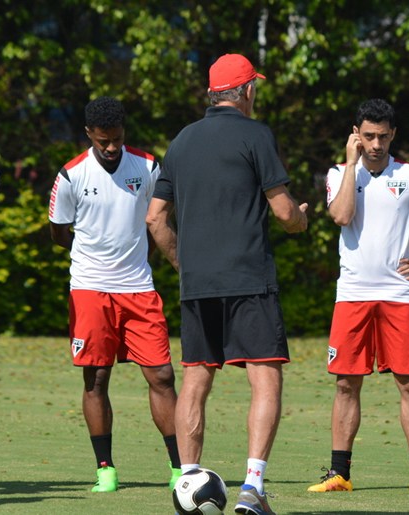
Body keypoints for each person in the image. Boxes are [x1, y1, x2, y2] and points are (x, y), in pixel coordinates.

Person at [146, 53, 308, 515]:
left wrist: (185, 264)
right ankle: (251, 488)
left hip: (198, 284)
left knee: (195, 379)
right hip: (249, 277)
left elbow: (155, 219)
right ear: (247, 91)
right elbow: (283, 211)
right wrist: (300, 220)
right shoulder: (256, 134)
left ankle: (188, 485)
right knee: (265, 378)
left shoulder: (180, 141)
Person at [308, 99, 409, 495]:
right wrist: (351, 164)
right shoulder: (339, 173)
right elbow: (341, 216)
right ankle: (339, 473)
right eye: (368, 136)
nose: (375, 144)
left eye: (383, 136)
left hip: (398, 295)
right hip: (352, 294)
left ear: (393, 135)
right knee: (345, 385)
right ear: (356, 134)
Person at [48, 96, 181, 493]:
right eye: (103, 140)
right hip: (89, 288)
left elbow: (159, 222)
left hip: (138, 287)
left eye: (117, 139)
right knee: (97, 378)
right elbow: (58, 232)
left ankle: (180, 467)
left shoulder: (149, 166)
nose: (111, 147)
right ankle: (105, 468)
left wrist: (142, 258)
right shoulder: (70, 175)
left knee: (162, 375)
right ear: (89, 134)